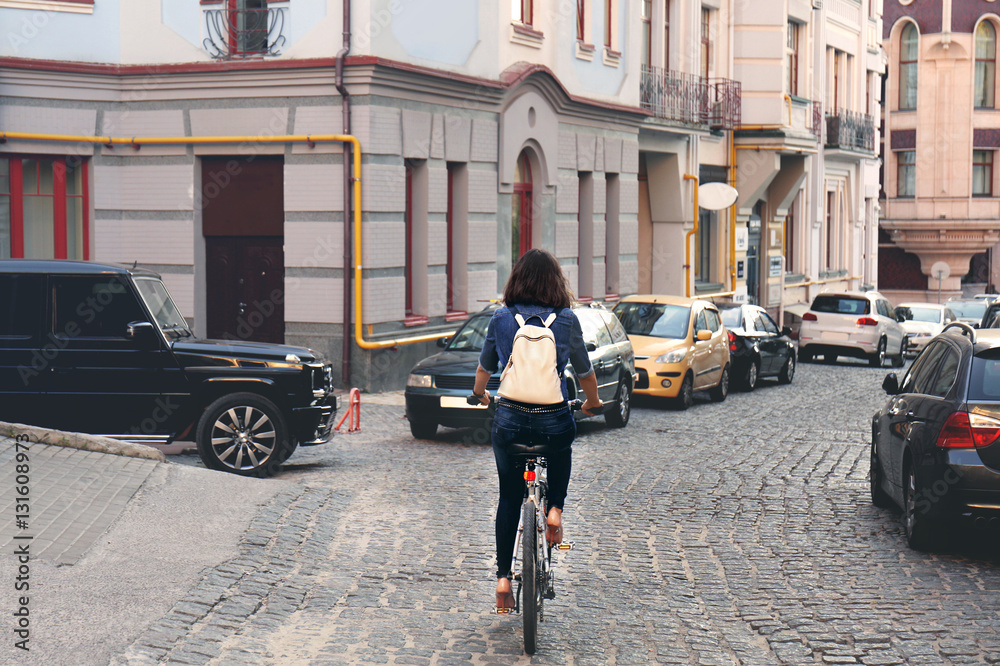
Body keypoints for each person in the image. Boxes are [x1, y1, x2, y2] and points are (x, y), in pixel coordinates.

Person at [472, 248, 602, 610]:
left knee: (509, 496)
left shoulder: (500, 318)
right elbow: (586, 372)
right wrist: (592, 402)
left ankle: (501, 581)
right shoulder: (566, 320)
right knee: (562, 446)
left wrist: (479, 394)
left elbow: (484, 370)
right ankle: (555, 509)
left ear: (517, 280)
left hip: (510, 419)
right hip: (552, 417)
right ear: (556, 283)